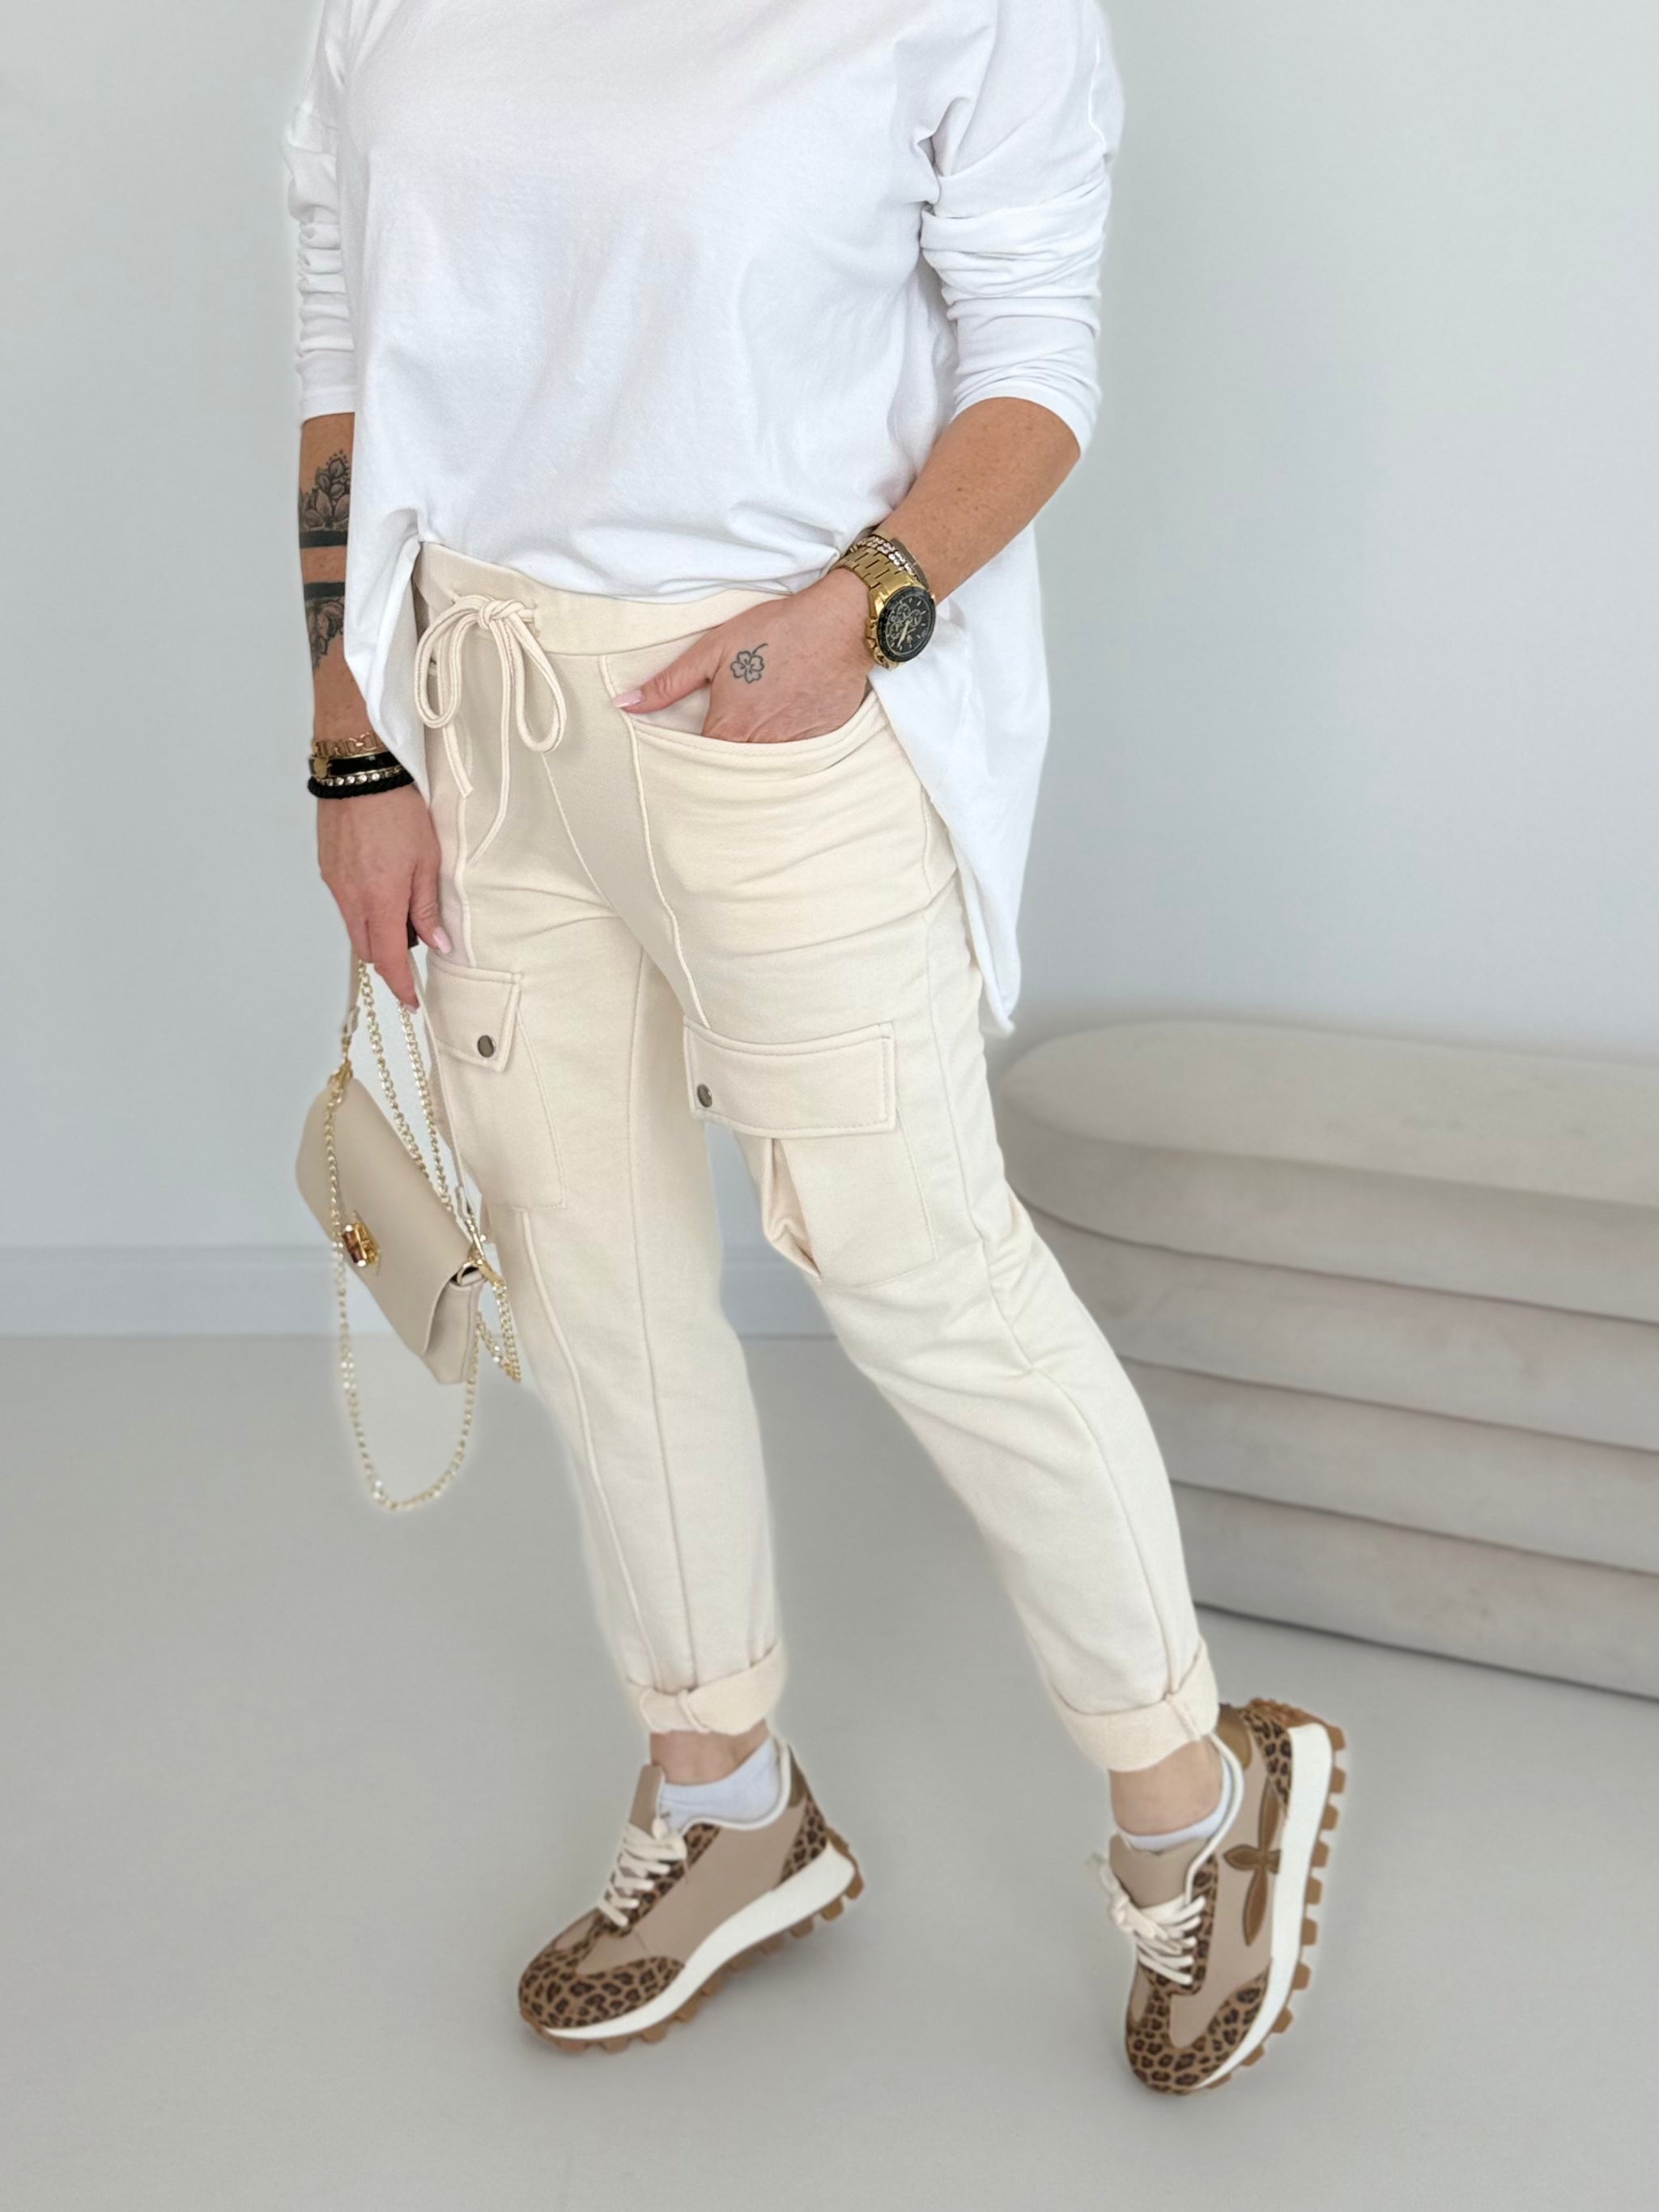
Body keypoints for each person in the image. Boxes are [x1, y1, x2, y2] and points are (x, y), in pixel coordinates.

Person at [284, 0, 1344, 2093]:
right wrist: (351, 730)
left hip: (778, 714)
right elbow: (341, 331)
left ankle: (1193, 1799)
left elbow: (1034, 361)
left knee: (910, 1257)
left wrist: (858, 611)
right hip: (480, 699)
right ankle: (723, 1798)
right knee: (585, 1276)